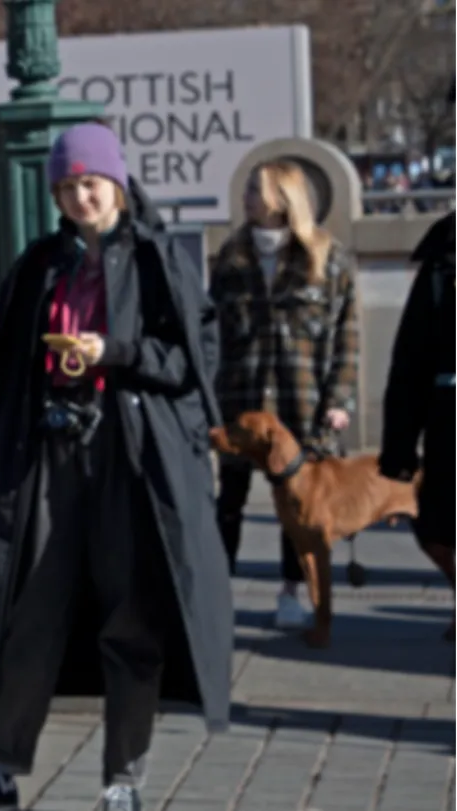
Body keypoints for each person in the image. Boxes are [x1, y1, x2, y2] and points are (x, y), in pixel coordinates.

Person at [0, 123, 232, 811]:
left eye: (90, 182)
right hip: (47, 454)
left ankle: (122, 780)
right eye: (66, 185)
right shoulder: (42, 259)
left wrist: (116, 350)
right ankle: (1, 769)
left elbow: (194, 360)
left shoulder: (158, 258)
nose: (79, 196)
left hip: (128, 459)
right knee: (25, 612)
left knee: (129, 620)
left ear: (117, 181)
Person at [210, 158, 361, 630]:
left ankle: (292, 592)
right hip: (242, 400)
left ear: (283, 198)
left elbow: (347, 336)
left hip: (303, 401)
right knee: (228, 499)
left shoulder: (326, 258)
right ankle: (214, 592)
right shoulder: (232, 259)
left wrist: (339, 401)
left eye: (257, 189)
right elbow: (212, 334)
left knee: (297, 504)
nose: (247, 197)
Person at [378, 213, 455, 640]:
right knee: (432, 529)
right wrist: (399, 449)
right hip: (449, 420)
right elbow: (411, 360)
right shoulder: (443, 259)